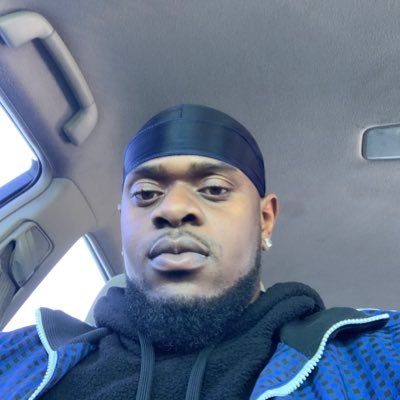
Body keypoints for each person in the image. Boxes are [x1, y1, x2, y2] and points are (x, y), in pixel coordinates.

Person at [0, 104, 399, 400]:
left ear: (264, 220)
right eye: (146, 194)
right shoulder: (22, 359)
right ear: (123, 225)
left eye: (214, 189)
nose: (173, 209)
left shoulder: (375, 355)